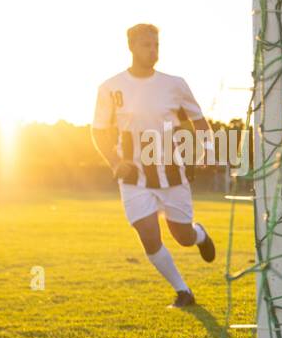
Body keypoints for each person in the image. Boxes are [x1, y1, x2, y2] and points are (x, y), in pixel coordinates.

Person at [91, 23, 215, 308]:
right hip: (133, 175)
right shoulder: (110, 88)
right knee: (148, 234)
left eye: (156, 45)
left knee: (182, 237)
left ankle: (199, 235)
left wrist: (206, 150)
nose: (153, 50)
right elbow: (98, 130)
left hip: (172, 171)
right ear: (131, 46)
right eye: (147, 45)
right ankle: (183, 291)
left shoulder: (175, 84)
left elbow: (198, 121)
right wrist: (115, 161)